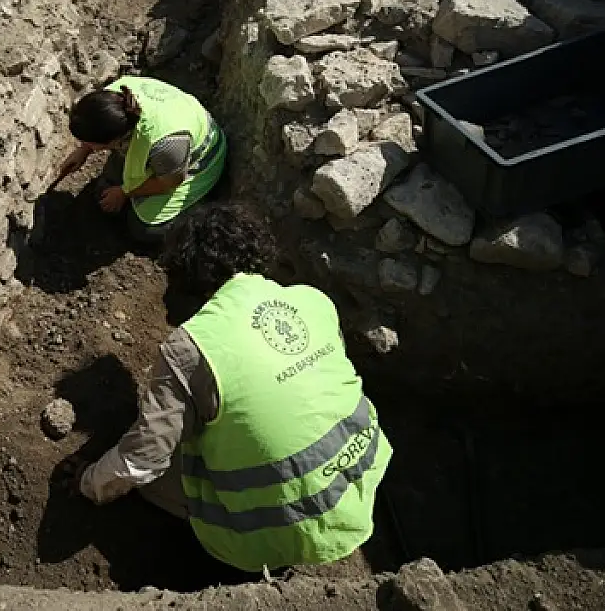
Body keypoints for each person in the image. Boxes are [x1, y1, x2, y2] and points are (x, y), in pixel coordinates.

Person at [75, 203, 391, 573]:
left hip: (274, 530)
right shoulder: (312, 300)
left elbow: (144, 460)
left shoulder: (191, 348)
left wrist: (90, 483)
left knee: (161, 475)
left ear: (187, 277)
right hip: (361, 475)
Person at [56, 76, 226, 243]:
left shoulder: (166, 144)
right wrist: (83, 150)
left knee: (143, 229)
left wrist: (124, 192)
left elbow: (171, 182)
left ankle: (196, 212)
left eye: (91, 143)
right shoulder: (112, 99)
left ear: (116, 139)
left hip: (199, 160)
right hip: (168, 145)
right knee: (107, 185)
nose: (89, 146)